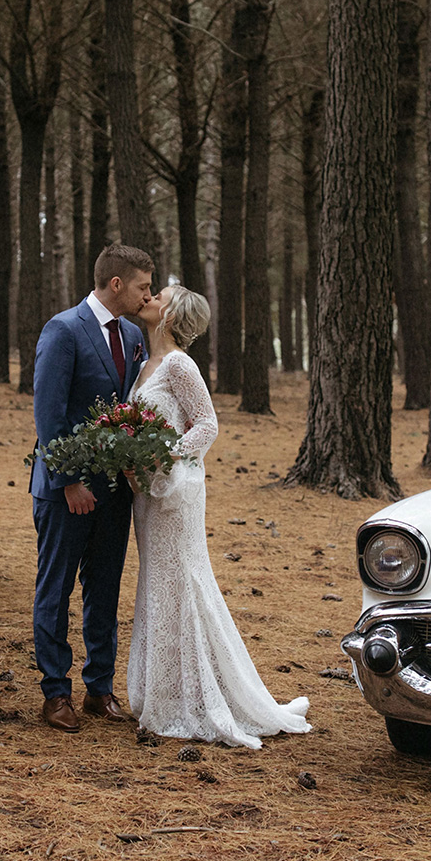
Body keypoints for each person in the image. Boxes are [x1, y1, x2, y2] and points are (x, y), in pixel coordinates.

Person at [126, 285, 310, 748]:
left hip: (176, 494)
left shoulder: (179, 364)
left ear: (168, 314)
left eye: (158, 294)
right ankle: (163, 693)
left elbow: (207, 423)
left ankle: (209, 698)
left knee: (184, 582)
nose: (149, 296)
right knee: (159, 584)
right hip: (148, 497)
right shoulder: (145, 364)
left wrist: (164, 457)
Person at [29, 244, 152, 732]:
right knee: (55, 590)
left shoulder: (132, 335)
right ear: (116, 284)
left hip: (115, 492)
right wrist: (70, 482)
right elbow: (49, 414)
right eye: (143, 285)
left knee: (103, 590)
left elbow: (128, 408)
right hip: (67, 493)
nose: (148, 293)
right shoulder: (63, 330)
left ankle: (99, 688)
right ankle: (55, 693)